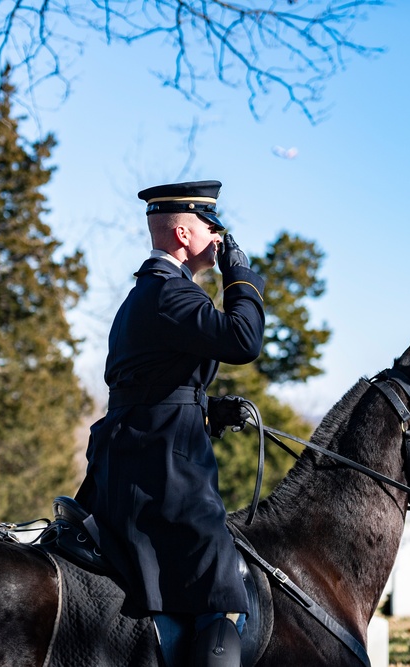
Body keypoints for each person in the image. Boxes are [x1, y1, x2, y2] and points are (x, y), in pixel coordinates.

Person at [76, 180, 265, 666]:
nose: (220, 239)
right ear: (183, 232)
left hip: (139, 456)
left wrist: (207, 410)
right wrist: (241, 278)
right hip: (163, 471)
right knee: (221, 593)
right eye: (211, 226)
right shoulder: (170, 293)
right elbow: (243, 340)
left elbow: (150, 387)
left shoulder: (149, 294)